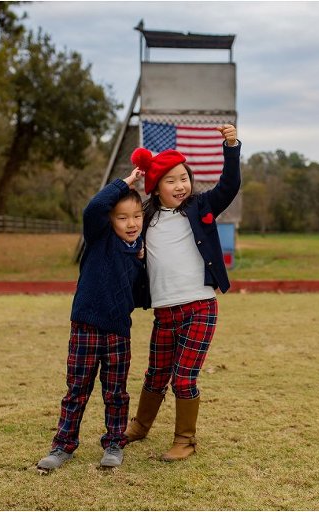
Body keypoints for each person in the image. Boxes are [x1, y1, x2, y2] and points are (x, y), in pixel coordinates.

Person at [123, 124, 240, 462]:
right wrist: (124, 186)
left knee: (184, 377)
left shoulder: (201, 207)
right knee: (156, 374)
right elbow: (115, 219)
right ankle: (140, 426)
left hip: (200, 307)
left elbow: (230, 185)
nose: (180, 186)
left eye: (184, 178)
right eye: (170, 180)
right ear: (155, 187)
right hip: (164, 312)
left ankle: (185, 440)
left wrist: (231, 147)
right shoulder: (145, 218)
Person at [37, 167, 147, 472]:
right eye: (122, 218)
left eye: (137, 216)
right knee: (77, 390)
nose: (131, 223)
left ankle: (114, 443)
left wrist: (142, 258)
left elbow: (141, 295)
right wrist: (126, 182)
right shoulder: (99, 237)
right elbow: (94, 207)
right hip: (86, 326)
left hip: (118, 332)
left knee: (116, 392)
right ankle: (63, 445)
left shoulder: (140, 252)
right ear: (110, 220)